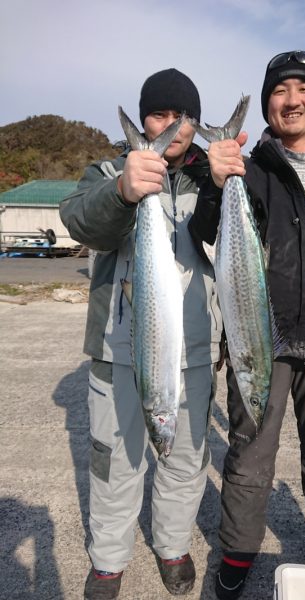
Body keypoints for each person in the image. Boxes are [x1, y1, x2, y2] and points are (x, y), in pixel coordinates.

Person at [188, 50, 305, 599]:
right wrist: (214, 176)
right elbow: (206, 232)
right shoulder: (249, 172)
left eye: (302, 89)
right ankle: (236, 555)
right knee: (249, 457)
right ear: (268, 103)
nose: (291, 100)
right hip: (261, 339)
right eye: (279, 91)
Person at [60, 68, 223, 599]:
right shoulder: (109, 170)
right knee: (114, 460)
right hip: (116, 351)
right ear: (144, 118)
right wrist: (125, 191)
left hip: (194, 353)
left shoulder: (212, 178)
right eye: (159, 115)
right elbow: (81, 222)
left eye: (182, 117)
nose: (171, 126)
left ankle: (172, 543)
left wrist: (228, 184)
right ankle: (108, 559)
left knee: (187, 460)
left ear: (196, 124)